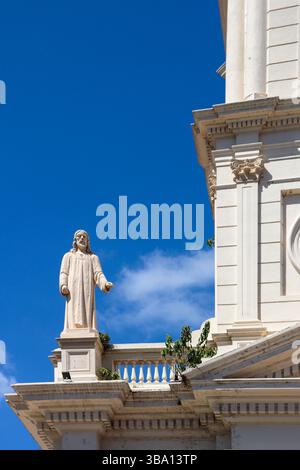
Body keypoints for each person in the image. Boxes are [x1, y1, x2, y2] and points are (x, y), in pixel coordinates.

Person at [59, 229, 113, 331]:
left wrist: (105, 283)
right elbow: (64, 273)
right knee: (73, 310)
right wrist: (63, 285)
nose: (82, 238)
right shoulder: (68, 256)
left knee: (87, 309)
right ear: (75, 240)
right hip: (73, 289)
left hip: (87, 290)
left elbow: (98, 273)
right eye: (79, 236)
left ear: (88, 242)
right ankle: (72, 328)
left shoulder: (93, 257)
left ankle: (87, 327)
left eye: (84, 237)